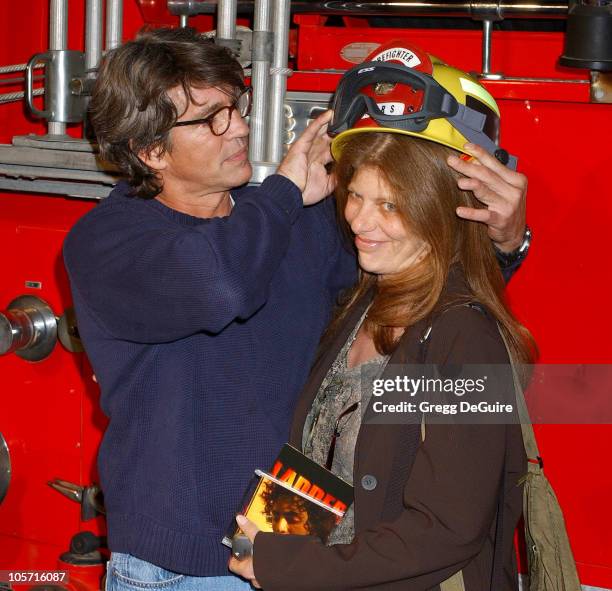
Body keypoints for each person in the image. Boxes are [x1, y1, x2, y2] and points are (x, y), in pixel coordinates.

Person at [63, 28, 528, 589]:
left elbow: (416, 291)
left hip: (290, 553)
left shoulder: (284, 221)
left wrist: (501, 242)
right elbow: (223, 288)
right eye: (210, 118)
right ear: (151, 150)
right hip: (179, 572)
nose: (237, 127)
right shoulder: (111, 243)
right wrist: (281, 190)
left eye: (236, 106)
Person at [229, 42, 536, 590]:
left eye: (390, 205)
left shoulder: (464, 338)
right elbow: (326, 445)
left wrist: (286, 565)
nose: (360, 222)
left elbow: (446, 531)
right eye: (356, 195)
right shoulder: (366, 299)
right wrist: (270, 533)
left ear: (438, 207)